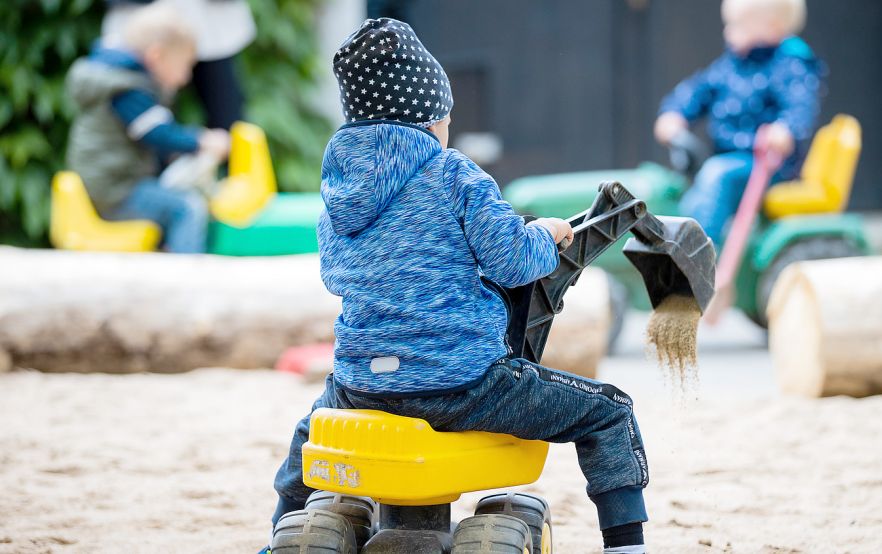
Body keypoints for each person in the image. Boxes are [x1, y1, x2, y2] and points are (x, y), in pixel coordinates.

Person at [265, 18, 650, 554]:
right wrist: (543, 234)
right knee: (609, 411)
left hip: (360, 386)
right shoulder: (454, 174)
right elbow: (514, 263)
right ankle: (626, 544)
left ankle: (279, 530)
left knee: (307, 442)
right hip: (460, 385)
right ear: (431, 119)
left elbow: (336, 274)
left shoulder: (338, 187)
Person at [654, 0, 824, 246]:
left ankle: (696, 252)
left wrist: (785, 129)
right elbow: (700, 89)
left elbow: (799, 106)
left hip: (767, 166)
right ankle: (676, 243)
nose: (728, 33)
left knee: (716, 176)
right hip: (729, 162)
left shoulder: (789, 65)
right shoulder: (732, 65)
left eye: (737, 26)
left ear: (772, 27)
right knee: (689, 186)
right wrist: (675, 113)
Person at [66, 3, 229, 253]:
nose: (186, 77)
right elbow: (159, 134)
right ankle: (188, 275)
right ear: (157, 56)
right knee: (186, 206)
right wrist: (202, 141)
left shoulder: (120, 78)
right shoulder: (128, 89)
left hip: (111, 183)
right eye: (184, 65)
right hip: (115, 190)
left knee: (171, 191)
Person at [102, 0, 256, 130]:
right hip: (142, 22)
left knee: (229, 118)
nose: (185, 79)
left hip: (211, 26)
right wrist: (196, 142)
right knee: (149, 122)